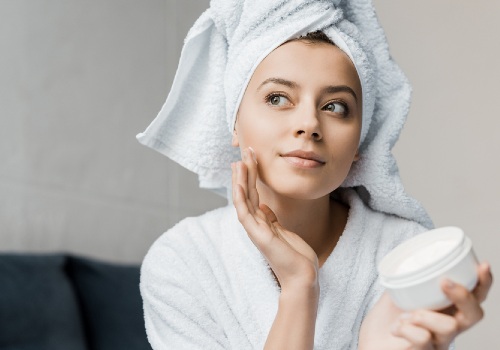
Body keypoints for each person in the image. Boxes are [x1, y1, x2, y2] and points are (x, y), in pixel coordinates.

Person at [136, 1, 493, 349]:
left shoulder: (401, 256)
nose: (308, 124)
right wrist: (298, 288)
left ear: (360, 141)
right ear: (234, 120)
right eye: (278, 98)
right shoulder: (183, 261)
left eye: (335, 107)